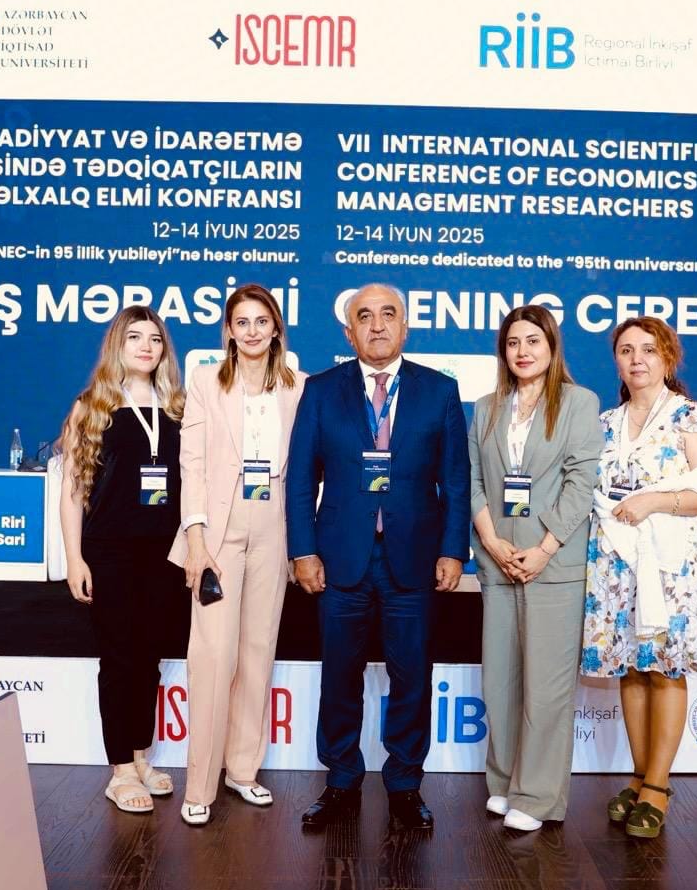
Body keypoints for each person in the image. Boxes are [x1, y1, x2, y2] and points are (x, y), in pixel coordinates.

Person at [286, 283, 470, 831]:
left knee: (411, 677)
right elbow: (301, 479)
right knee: (339, 675)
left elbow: (456, 480)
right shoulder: (321, 390)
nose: (377, 325)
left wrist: (453, 549)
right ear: (350, 333)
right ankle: (341, 779)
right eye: (364, 317)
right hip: (340, 559)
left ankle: (405, 784)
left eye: (389, 314)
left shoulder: (440, 391)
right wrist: (303, 550)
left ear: (405, 327)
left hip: (414, 560)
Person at [581, 317, 697, 841]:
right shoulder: (604, 423)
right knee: (631, 669)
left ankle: (659, 788)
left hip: (671, 567)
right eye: (626, 350)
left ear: (668, 357)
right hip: (615, 564)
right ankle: (639, 778)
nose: (637, 359)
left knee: (664, 669)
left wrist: (653, 501)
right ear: (616, 361)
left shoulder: (691, 416)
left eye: (648, 349)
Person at [169, 284, 307, 826]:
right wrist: (196, 539)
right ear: (228, 330)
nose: (251, 331)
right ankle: (200, 784)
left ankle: (243, 770)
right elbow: (192, 464)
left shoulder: (297, 385)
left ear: (276, 329)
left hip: (274, 524)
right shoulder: (207, 381)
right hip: (218, 530)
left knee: (257, 651)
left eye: (261, 321)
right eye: (241, 322)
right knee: (212, 657)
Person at [469, 305, 601, 833]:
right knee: (500, 683)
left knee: (546, 688)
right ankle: (504, 783)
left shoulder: (578, 403)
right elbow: (472, 479)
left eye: (532, 341)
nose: (522, 351)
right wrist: (491, 540)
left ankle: (539, 796)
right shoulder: (486, 408)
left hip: (553, 563)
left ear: (551, 347)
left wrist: (544, 548)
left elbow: (581, 484)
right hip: (498, 559)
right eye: (513, 342)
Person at [59, 305, 189, 815]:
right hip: (109, 551)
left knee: (149, 657)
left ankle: (140, 757)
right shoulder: (92, 406)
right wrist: (75, 558)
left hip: (164, 552)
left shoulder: (177, 407)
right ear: (118, 345)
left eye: (155, 339)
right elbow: (73, 490)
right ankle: (119, 771)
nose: (146, 347)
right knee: (118, 659)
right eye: (135, 337)